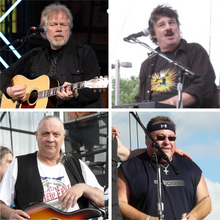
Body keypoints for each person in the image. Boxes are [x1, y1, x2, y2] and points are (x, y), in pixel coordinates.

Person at [0, 2, 103, 108]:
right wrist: (9, 91)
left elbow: (94, 91)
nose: (59, 29)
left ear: (69, 29)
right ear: (44, 30)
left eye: (63, 25)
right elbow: (3, 75)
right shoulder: (35, 55)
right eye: (53, 25)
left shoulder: (85, 52)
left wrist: (76, 94)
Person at [0, 115, 104, 220]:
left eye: (56, 134)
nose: (50, 139)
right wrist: (9, 214)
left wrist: (83, 187)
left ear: (63, 137)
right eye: (45, 133)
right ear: (36, 136)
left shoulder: (77, 164)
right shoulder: (19, 164)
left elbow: (103, 200)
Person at [117, 116, 211, 220]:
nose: (167, 142)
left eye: (171, 138)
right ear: (147, 139)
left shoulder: (190, 166)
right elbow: (119, 202)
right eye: (161, 138)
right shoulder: (129, 168)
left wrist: (194, 216)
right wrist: (148, 219)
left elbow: (205, 200)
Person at [135, 5, 218, 108]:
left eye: (171, 23)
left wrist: (166, 105)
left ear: (178, 27)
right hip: (153, 115)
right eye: (162, 25)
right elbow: (140, 98)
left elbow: (203, 86)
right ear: (153, 34)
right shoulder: (147, 64)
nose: (168, 27)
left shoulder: (194, 51)